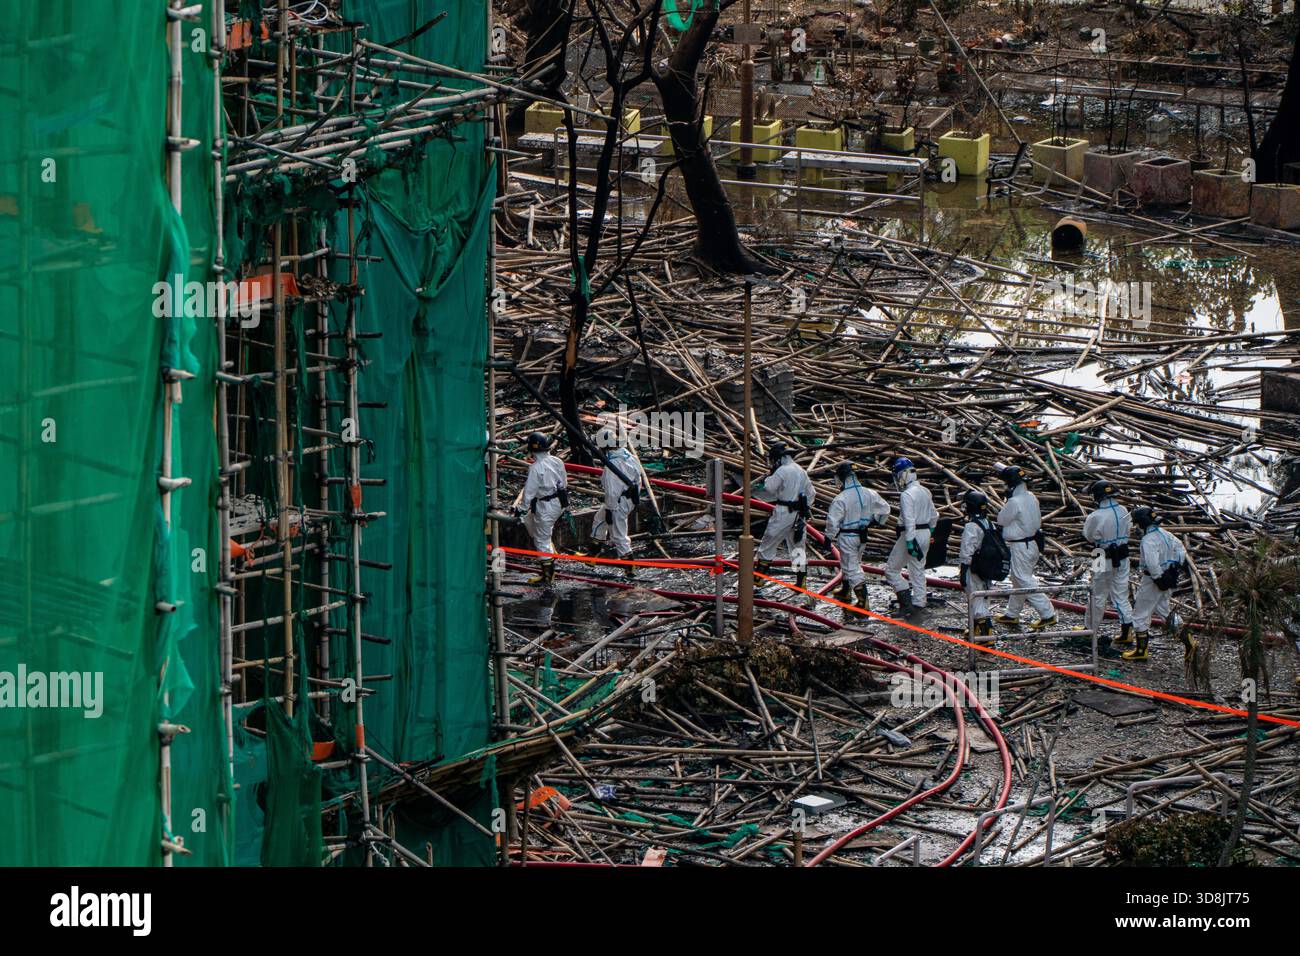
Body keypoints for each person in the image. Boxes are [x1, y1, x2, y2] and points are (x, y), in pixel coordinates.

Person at [1126, 506, 1194, 663]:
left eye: (1137, 524)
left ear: (1143, 522)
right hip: (1169, 577)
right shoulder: (1166, 534)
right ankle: (1189, 640)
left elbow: (1151, 563)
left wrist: (1158, 578)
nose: (1136, 527)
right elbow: (1181, 551)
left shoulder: (1148, 540)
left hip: (1153, 581)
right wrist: (1173, 570)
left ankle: (1141, 651)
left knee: (1139, 615)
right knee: (1164, 611)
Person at [994, 465, 1057, 630]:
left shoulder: (1014, 502)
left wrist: (1007, 501)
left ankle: (1047, 613)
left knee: (1022, 579)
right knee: (1018, 579)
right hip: (1032, 544)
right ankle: (1012, 614)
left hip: (1020, 546)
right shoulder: (1031, 497)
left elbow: (1001, 520)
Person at [825, 461, 890, 609]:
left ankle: (863, 602)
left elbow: (832, 521)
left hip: (847, 536)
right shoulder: (870, 493)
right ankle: (846, 591)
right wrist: (874, 521)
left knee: (851, 567)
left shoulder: (841, 498)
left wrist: (828, 537)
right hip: (862, 536)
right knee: (851, 563)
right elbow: (885, 509)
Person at [755, 440, 816, 591]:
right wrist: (805, 507)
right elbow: (812, 493)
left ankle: (759, 578)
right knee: (797, 546)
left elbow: (769, 488)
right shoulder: (801, 471)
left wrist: (769, 475)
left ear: (779, 458)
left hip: (783, 511)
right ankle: (801, 581)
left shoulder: (782, 471)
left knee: (769, 541)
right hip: (799, 513)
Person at [1082, 478, 1135, 648]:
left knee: (1097, 593)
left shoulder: (1095, 516)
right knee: (1121, 593)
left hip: (1100, 554)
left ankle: (1090, 628)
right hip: (1123, 554)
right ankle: (1127, 630)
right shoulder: (1124, 510)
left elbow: (1089, 537)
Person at [883, 456, 938, 618]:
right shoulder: (925, 491)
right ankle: (919, 602)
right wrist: (931, 533)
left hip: (911, 534)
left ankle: (906, 605)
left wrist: (909, 541)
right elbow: (934, 516)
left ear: (903, 475)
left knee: (891, 570)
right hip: (925, 533)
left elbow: (909, 520)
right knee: (917, 569)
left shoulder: (907, 495)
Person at [591, 424, 642, 580]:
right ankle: (593, 554)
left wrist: (610, 510)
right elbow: (638, 476)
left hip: (619, 502)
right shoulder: (626, 454)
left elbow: (612, 492)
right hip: (628, 498)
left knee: (618, 535)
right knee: (599, 520)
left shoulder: (611, 467)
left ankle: (630, 568)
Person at [520, 431, 568, 586]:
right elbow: (564, 483)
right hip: (559, 502)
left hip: (545, 505)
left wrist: (520, 508)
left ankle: (548, 576)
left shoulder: (535, 468)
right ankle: (549, 551)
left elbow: (529, 493)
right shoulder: (557, 461)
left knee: (541, 539)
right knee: (530, 521)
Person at [957, 490, 997, 637]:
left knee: (976, 599)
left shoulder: (972, 526)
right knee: (983, 598)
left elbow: (966, 551)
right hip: (987, 567)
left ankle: (985, 635)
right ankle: (976, 631)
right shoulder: (989, 524)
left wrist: (963, 570)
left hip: (974, 568)